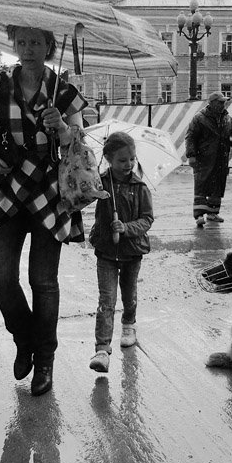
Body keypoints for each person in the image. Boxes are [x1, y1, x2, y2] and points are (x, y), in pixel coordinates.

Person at [0, 25, 88, 396]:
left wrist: (64, 129)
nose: (27, 49)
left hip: (47, 191)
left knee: (43, 282)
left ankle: (45, 359)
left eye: (35, 43)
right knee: (0, 276)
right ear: (14, 45)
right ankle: (24, 338)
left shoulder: (64, 92)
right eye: (21, 42)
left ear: (49, 47)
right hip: (7, 187)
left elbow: (79, 139)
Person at [87, 131, 154, 373]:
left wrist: (126, 228)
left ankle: (129, 324)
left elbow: (147, 219)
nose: (128, 165)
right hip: (105, 250)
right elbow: (83, 197)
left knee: (129, 295)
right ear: (108, 159)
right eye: (122, 160)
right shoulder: (100, 182)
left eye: (132, 159)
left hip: (131, 251)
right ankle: (102, 350)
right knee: (106, 301)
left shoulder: (140, 187)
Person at [185, 92, 232, 227]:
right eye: (220, 102)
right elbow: (191, 137)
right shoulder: (199, 118)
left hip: (221, 159)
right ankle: (199, 215)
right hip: (204, 159)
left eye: (223, 102)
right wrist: (191, 155)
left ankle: (212, 214)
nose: (222, 104)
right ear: (211, 103)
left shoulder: (227, 119)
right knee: (201, 186)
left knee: (217, 187)